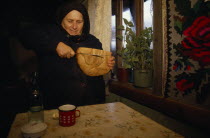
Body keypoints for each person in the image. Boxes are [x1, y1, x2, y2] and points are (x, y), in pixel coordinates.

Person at [18, 1, 115, 109]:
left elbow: (97, 68)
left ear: (85, 22)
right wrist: (55, 45)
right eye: (70, 21)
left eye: (79, 22)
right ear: (61, 20)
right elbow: (25, 36)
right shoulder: (50, 33)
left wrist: (105, 64)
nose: (74, 26)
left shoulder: (93, 41)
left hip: (91, 103)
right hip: (59, 105)